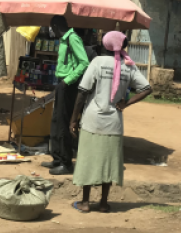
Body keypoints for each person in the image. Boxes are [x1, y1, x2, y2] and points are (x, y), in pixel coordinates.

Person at [70, 31, 152, 213]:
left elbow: (83, 91)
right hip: (114, 123)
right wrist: (126, 103)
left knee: (88, 161)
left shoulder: (97, 62)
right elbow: (147, 88)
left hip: (92, 121)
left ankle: (85, 202)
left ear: (106, 44)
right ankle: (103, 203)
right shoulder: (128, 65)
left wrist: (73, 119)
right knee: (108, 163)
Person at [41, 16, 90, 175]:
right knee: (56, 121)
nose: (51, 31)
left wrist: (68, 81)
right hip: (62, 83)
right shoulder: (64, 40)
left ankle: (66, 162)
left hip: (68, 85)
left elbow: (84, 62)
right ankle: (57, 158)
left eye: (51, 27)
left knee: (64, 122)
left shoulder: (72, 38)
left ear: (55, 26)